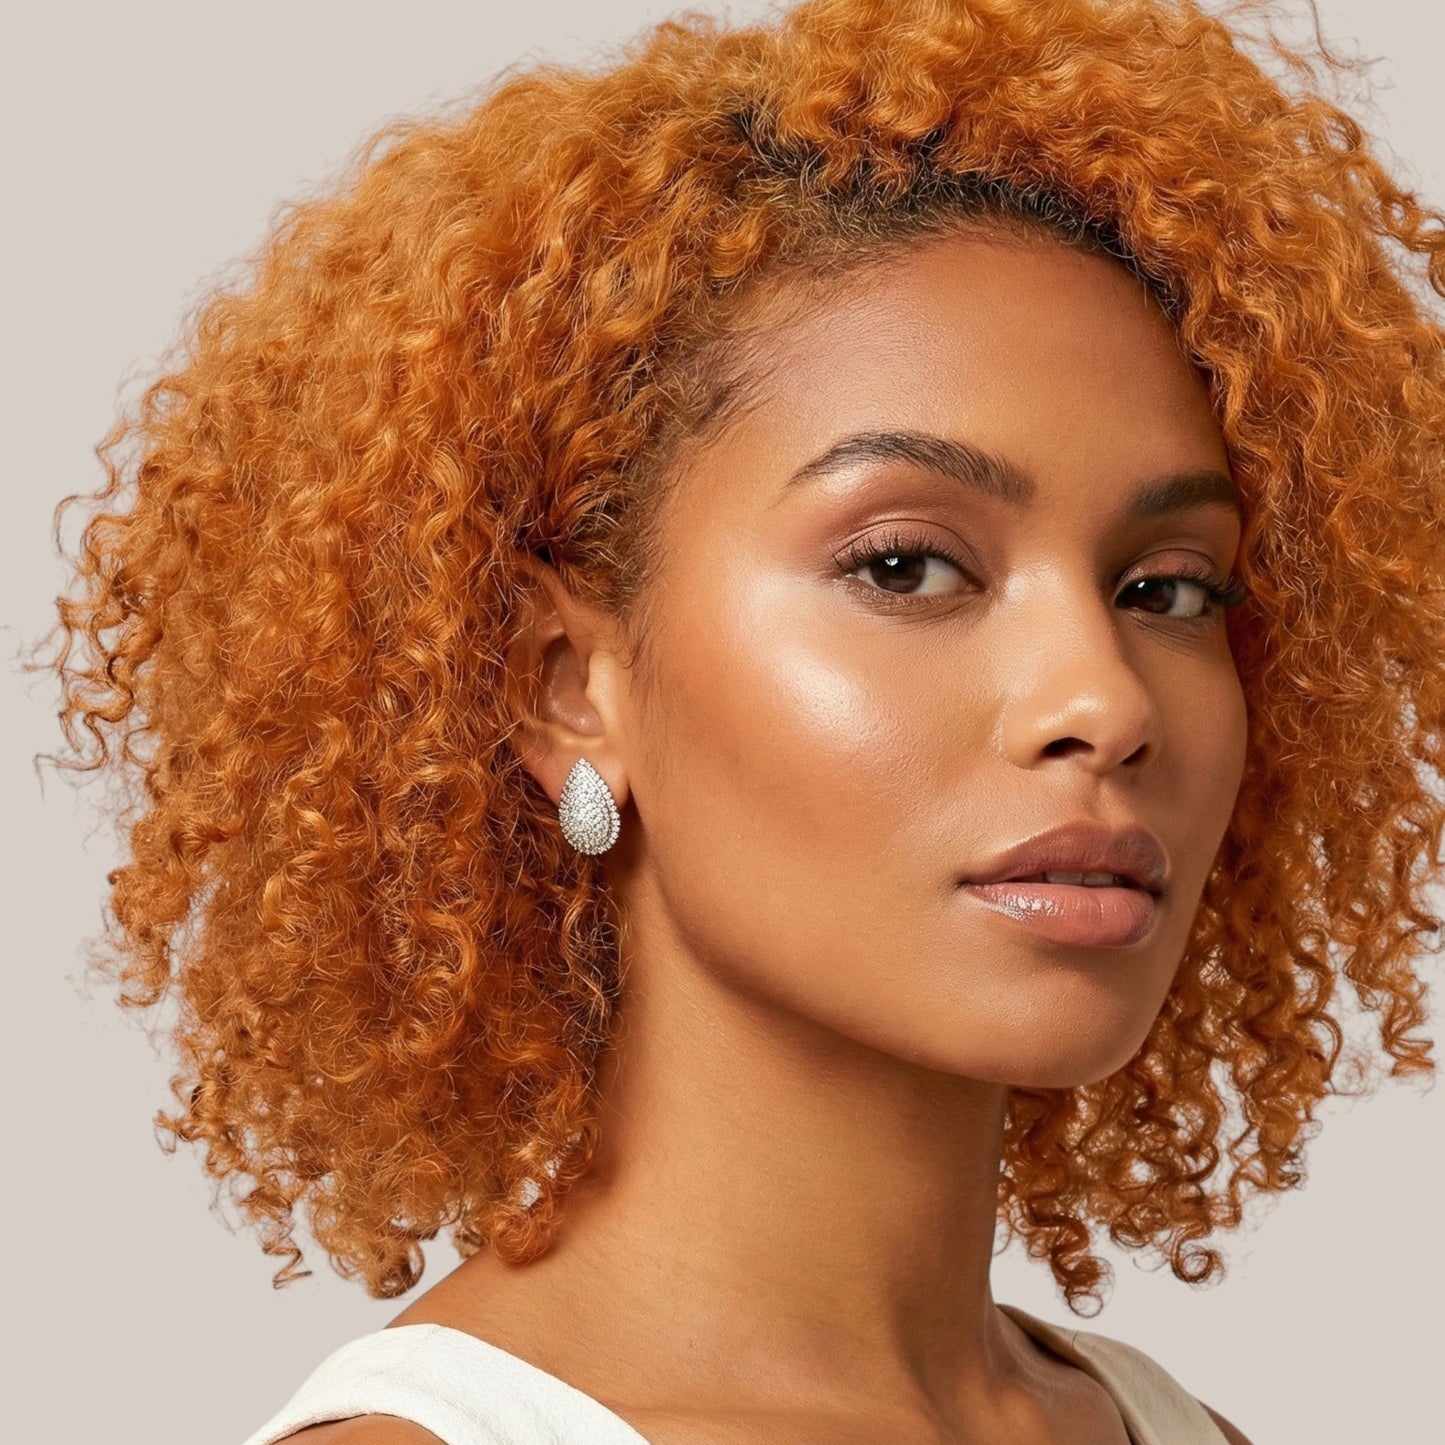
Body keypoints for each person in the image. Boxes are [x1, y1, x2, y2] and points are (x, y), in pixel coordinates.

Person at [38, 0, 1445, 1440]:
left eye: (1167, 588)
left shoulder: (1172, 1426)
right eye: (904, 565)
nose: (1103, 699)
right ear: (564, 684)